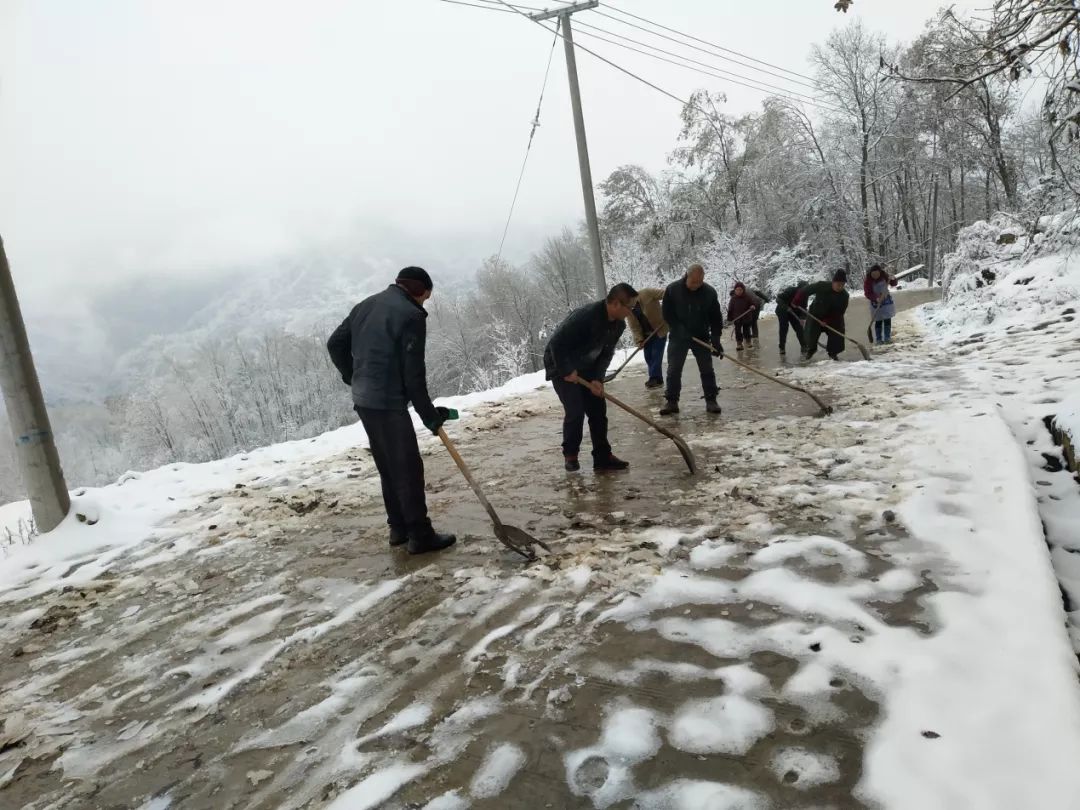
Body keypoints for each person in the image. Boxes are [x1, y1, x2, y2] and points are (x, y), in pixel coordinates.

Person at [326, 267, 457, 555]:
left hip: (364, 399)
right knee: (408, 467)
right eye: (426, 298)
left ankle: (398, 528)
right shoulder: (411, 316)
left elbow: (335, 343)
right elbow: (413, 376)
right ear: (419, 292)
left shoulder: (366, 304)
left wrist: (352, 375)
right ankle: (420, 535)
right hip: (386, 401)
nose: (425, 304)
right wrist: (429, 417)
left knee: (388, 464)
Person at [545, 283, 639, 472]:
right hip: (561, 364)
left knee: (598, 410)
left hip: (588, 367)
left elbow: (606, 353)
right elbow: (557, 343)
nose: (631, 312)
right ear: (615, 304)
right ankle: (570, 455)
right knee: (576, 410)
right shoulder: (585, 316)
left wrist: (598, 378)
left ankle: (602, 457)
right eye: (630, 307)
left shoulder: (618, 325)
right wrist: (566, 370)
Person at [659, 264, 724, 416]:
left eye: (699, 282)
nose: (696, 285)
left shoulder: (709, 292)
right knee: (674, 369)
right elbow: (667, 314)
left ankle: (711, 400)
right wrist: (679, 329)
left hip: (700, 336)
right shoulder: (672, 290)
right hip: (678, 337)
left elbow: (716, 317)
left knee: (707, 369)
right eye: (693, 282)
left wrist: (716, 338)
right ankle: (672, 401)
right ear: (685, 276)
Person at [793, 269, 850, 361]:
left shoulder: (844, 296)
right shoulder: (822, 286)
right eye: (838, 284)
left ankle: (833, 353)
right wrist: (797, 300)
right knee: (811, 333)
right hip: (815, 315)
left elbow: (840, 313)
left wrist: (827, 321)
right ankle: (811, 349)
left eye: (842, 285)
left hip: (833, 318)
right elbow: (805, 290)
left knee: (837, 332)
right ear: (833, 282)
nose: (840, 287)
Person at [625, 287, 668, 389]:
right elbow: (634, 327)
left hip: (659, 329)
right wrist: (639, 340)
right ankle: (658, 379)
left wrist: (669, 310)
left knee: (656, 354)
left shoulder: (647, 293)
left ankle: (654, 378)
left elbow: (666, 294)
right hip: (646, 335)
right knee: (648, 356)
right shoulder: (627, 309)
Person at [864, 264, 897, 344]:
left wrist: (893, 279)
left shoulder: (884, 275)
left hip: (886, 302)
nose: (875, 276)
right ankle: (879, 339)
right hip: (875, 303)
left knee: (887, 319)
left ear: (880, 272)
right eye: (873, 274)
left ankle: (887, 338)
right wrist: (876, 298)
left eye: (877, 274)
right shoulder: (868, 281)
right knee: (878, 321)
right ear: (871, 274)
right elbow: (867, 293)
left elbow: (893, 284)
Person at [775, 281, 807, 355]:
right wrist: (786, 307)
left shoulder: (805, 295)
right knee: (784, 328)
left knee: (799, 328)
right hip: (782, 310)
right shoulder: (791, 290)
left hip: (794, 312)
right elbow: (778, 299)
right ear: (798, 288)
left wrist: (802, 318)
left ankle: (804, 346)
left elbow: (804, 308)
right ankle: (782, 347)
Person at [727, 282, 758, 351]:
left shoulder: (747, 297)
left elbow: (753, 303)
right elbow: (730, 309)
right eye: (737, 290)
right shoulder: (733, 299)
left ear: (743, 290)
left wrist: (753, 306)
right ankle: (739, 344)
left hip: (746, 317)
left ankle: (748, 342)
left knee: (746, 331)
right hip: (737, 318)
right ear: (735, 290)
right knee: (738, 331)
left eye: (740, 289)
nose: (739, 291)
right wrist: (729, 319)